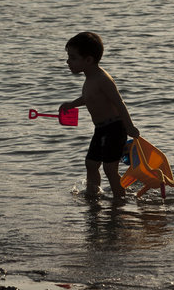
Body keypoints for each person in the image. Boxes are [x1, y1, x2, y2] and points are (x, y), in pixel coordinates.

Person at [60, 32, 140, 198]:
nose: (68, 62)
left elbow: (120, 103)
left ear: (88, 60)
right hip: (101, 129)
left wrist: (129, 126)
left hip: (114, 128)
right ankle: (93, 194)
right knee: (90, 163)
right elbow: (90, 98)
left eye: (73, 58)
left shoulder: (102, 79)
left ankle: (120, 201)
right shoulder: (90, 78)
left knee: (109, 169)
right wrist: (71, 105)